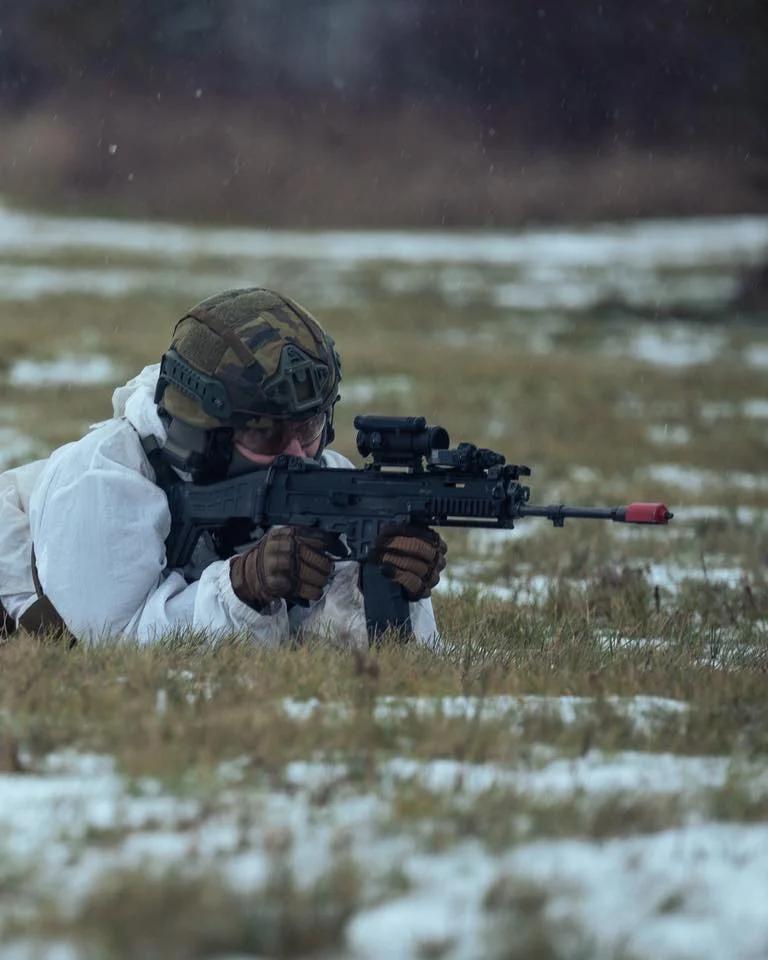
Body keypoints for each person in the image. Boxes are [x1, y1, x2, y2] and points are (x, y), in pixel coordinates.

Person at [0, 288, 446, 648]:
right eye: (266, 433)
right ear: (204, 438)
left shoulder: (325, 480)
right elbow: (114, 647)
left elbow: (320, 638)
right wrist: (242, 586)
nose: (296, 454)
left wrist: (387, 589)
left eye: (308, 427)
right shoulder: (103, 482)